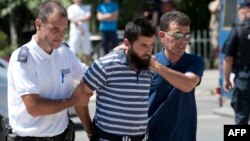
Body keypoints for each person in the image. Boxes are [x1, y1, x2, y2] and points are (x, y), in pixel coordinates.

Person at [7, 1, 89, 140]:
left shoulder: (64, 52)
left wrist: (117, 57)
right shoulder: (24, 58)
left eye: (64, 30)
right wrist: (73, 101)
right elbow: (34, 108)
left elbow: (91, 75)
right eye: (55, 29)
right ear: (38, 25)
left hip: (62, 135)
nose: (61, 35)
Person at [74, 18, 156, 141]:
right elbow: (79, 97)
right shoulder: (105, 65)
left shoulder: (151, 67)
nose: (148, 52)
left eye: (151, 45)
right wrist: (89, 130)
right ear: (127, 43)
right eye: (143, 45)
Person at [147, 11, 205, 141]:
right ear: (162, 36)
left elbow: (188, 84)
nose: (183, 41)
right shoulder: (148, 63)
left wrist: (157, 67)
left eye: (186, 36)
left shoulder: (194, 62)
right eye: (177, 35)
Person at [222, 2, 250, 125]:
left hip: (243, 80)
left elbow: (228, 58)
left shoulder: (238, 30)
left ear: (244, 13)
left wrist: (226, 79)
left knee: (241, 118)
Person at [67, 0, 92, 65]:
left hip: (85, 33)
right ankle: (74, 69)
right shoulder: (70, 8)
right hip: (74, 33)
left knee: (87, 52)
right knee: (73, 52)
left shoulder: (87, 7)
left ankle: (86, 69)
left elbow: (87, 17)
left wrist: (77, 19)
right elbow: (72, 19)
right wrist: (80, 28)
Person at [208, 0, 220, 69]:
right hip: (215, 29)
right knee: (214, 46)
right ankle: (211, 62)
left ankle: (218, 64)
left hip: (223, 29)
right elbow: (213, 9)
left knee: (222, 47)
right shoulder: (212, 3)